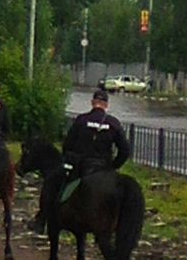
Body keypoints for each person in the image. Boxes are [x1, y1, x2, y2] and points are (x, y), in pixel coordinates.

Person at [29, 88, 130, 233]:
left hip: (82, 167)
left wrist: (69, 160)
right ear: (106, 105)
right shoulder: (114, 123)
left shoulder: (81, 120)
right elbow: (125, 151)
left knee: (53, 184)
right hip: (104, 168)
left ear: (92, 102)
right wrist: (113, 166)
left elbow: (68, 145)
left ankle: (42, 219)